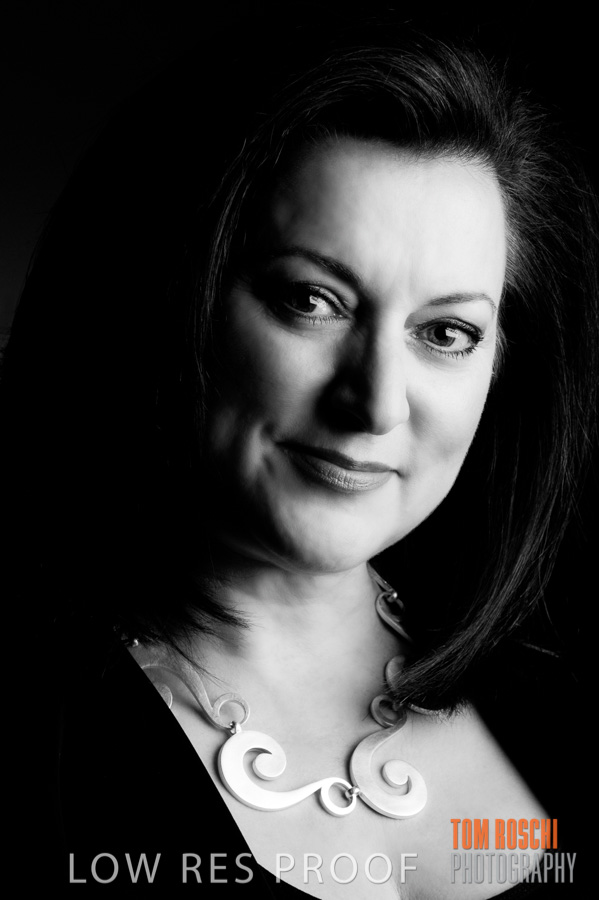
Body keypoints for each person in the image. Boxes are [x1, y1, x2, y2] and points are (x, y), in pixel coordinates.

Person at [3, 14, 596, 898]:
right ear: (170, 292)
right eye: (311, 300)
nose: (376, 401)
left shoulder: (569, 689)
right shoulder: (31, 726)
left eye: (445, 332)